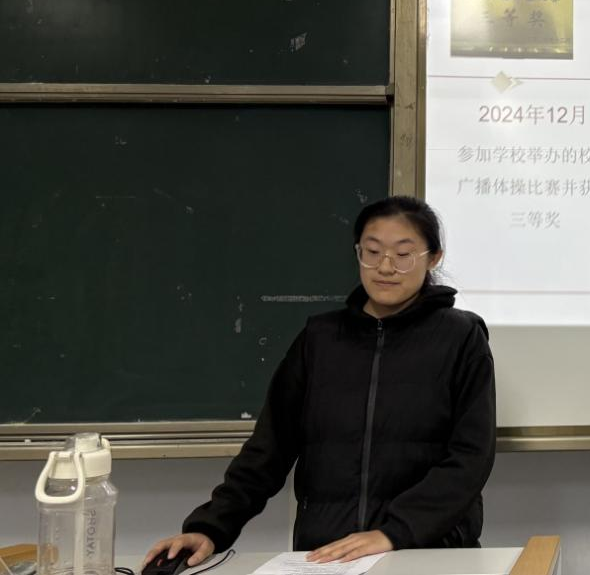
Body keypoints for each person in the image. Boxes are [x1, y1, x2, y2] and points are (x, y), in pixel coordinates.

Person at [144, 196, 495, 566]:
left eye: (403, 254)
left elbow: (470, 457)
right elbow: (269, 449)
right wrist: (210, 528)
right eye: (372, 252)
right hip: (328, 554)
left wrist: (394, 532)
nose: (385, 267)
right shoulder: (321, 338)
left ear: (433, 258)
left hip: (429, 552)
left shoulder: (460, 337)